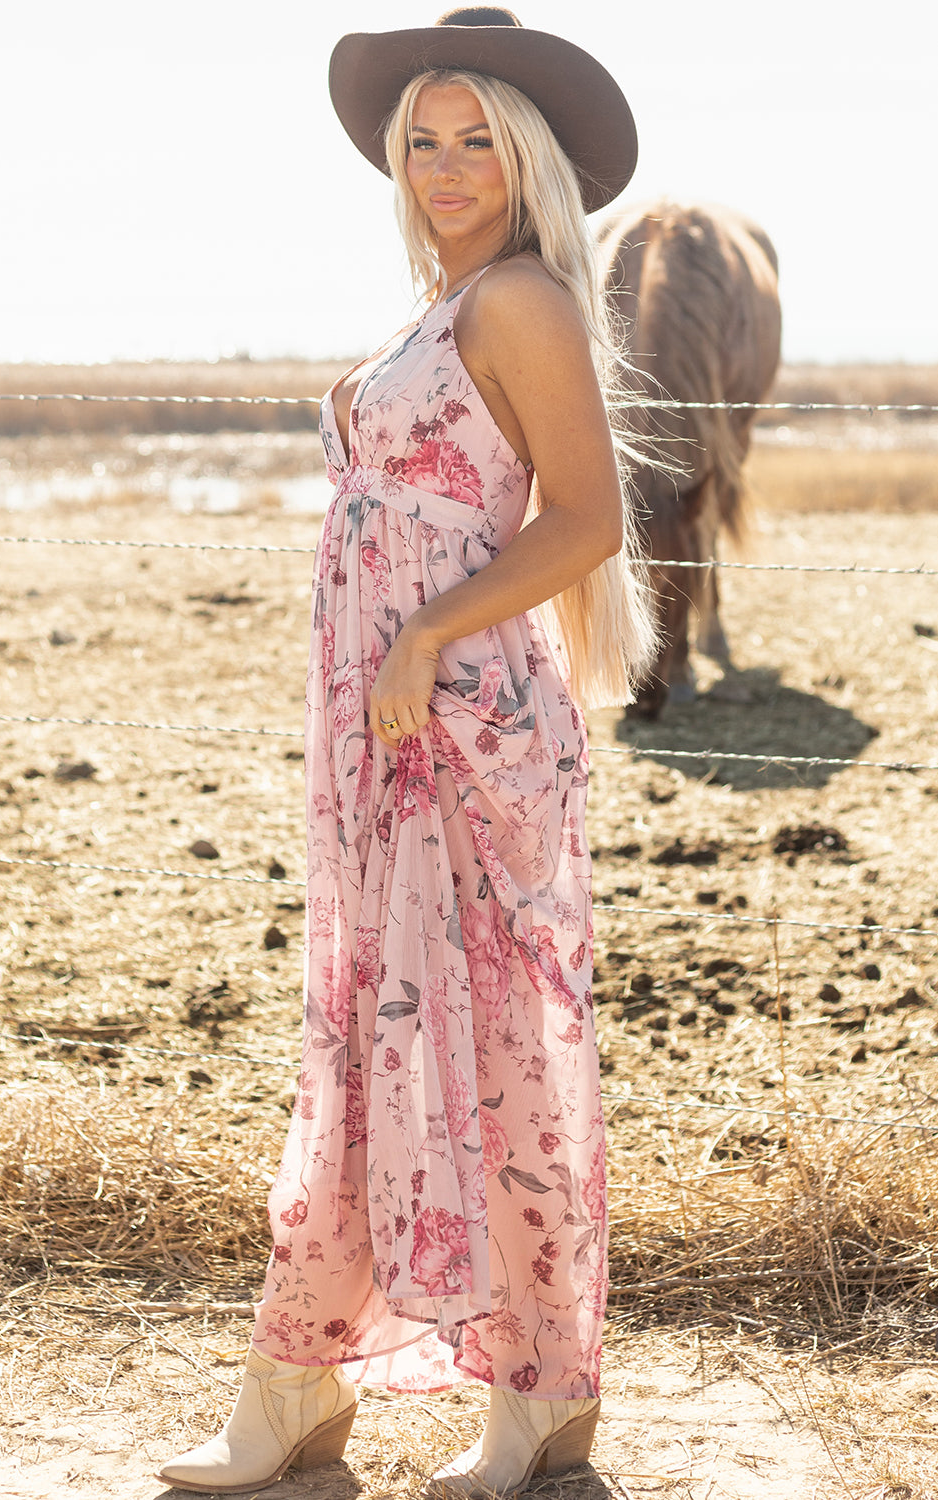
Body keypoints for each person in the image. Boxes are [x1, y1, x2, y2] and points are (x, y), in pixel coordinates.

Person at [158, 8, 655, 1497]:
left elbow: (583, 520)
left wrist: (423, 635)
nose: (447, 165)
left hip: (462, 725)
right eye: (424, 139)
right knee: (372, 1038)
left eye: (477, 139)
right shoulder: (437, 303)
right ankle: (305, 1385)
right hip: (384, 728)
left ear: (528, 157)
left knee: (486, 1051)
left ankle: (525, 1396)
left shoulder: (519, 302)